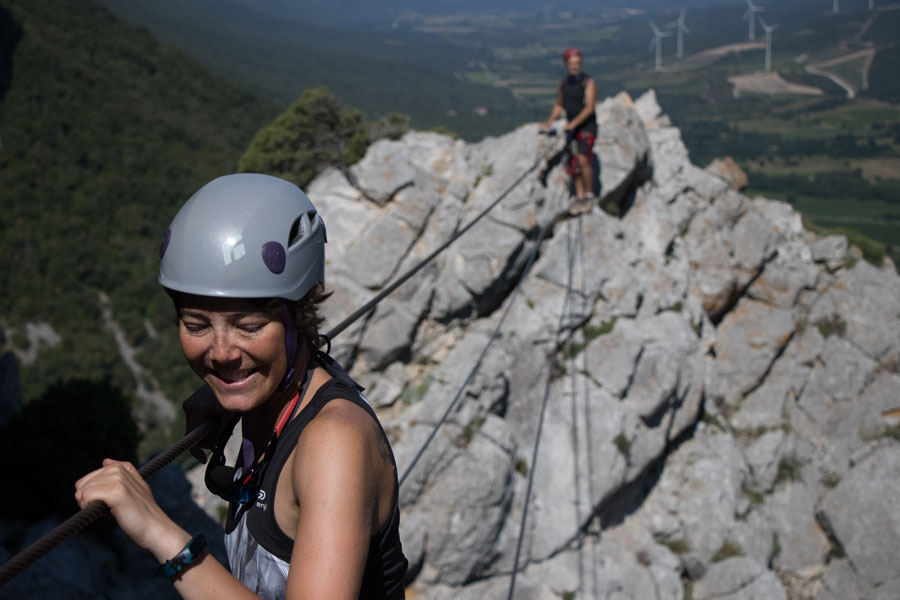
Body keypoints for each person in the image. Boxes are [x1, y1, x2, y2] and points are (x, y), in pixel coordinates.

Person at [74, 173, 408, 599]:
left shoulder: (334, 442)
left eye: (249, 326)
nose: (222, 353)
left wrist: (160, 533)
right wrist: (232, 403)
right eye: (195, 325)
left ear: (299, 315)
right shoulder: (280, 397)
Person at [540, 46, 598, 203]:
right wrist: (550, 121)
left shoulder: (588, 82)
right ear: (566, 64)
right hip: (572, 128)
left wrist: (573, 123)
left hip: (587, 126)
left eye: (577, 63)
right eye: (571, 63)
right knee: (574, 162)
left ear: (581, 63)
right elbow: (559, 104)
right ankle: (579, 196)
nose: (574, 66)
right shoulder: (564, 84)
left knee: (583, 158)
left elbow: (589, 107)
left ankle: (589, 194)